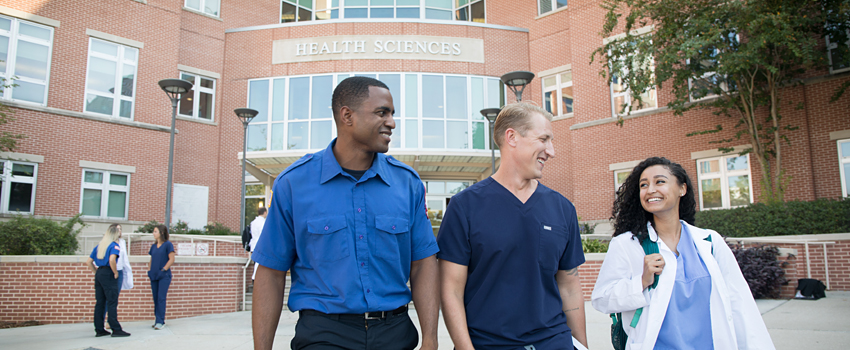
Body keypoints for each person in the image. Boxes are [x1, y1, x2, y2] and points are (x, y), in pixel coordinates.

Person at [251, 76, 440, 350]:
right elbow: (270, 271)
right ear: (347, 115)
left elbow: (423, 263)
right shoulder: (294, 184)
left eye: (392, 114)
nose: (392, 122)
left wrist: (431, 341)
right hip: (324, 335)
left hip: (395, 334)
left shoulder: (407, 184)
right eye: (381, 112)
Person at [438, 102, 588, 350]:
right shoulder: (464, 206)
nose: (551, 151)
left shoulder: (563, 208)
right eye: (544, 139)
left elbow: (569, 286)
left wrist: (582, 346)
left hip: (554, 342)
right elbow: (451, 290)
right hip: (487, 344)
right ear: (512, 137)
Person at [591, 157, 775, 349]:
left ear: (682, 189)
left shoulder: (710, 243)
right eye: (643, 185)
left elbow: (740, 304)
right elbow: (601, 299)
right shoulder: (627, 244)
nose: (651, 189)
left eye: (660, 181)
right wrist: (642, 282)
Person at [85, 225, 131, 337]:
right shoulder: (114, 246)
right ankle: (116, 329)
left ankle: (99, 329)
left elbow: (89, 262)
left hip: (100, 272)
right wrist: (115, 272)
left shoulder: (100, 246)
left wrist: (97, 273)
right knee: (112, 301)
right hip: (109, 274)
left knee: (100, 302)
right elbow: (112, 260)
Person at [148, 225, 175, 330]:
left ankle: (160, 321)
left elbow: (171, 259)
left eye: (155, 231)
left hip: (164, 276)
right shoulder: (153, 246)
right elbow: (151, 259)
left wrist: (164, 269)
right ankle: (157, 320)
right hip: (154, 275)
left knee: (161, 298)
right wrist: (149, 270)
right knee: (155, 298)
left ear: (161, 233)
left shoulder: (168, 245)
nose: (153, 233)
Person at [250, 207, 268, 280]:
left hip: (253, 245)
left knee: (256, 263)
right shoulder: (262, 222)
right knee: (259, 264)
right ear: (265, 212)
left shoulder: (253, 222)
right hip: (260, 245)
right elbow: (263, 234)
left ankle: (255, 278)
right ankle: (255, 278)